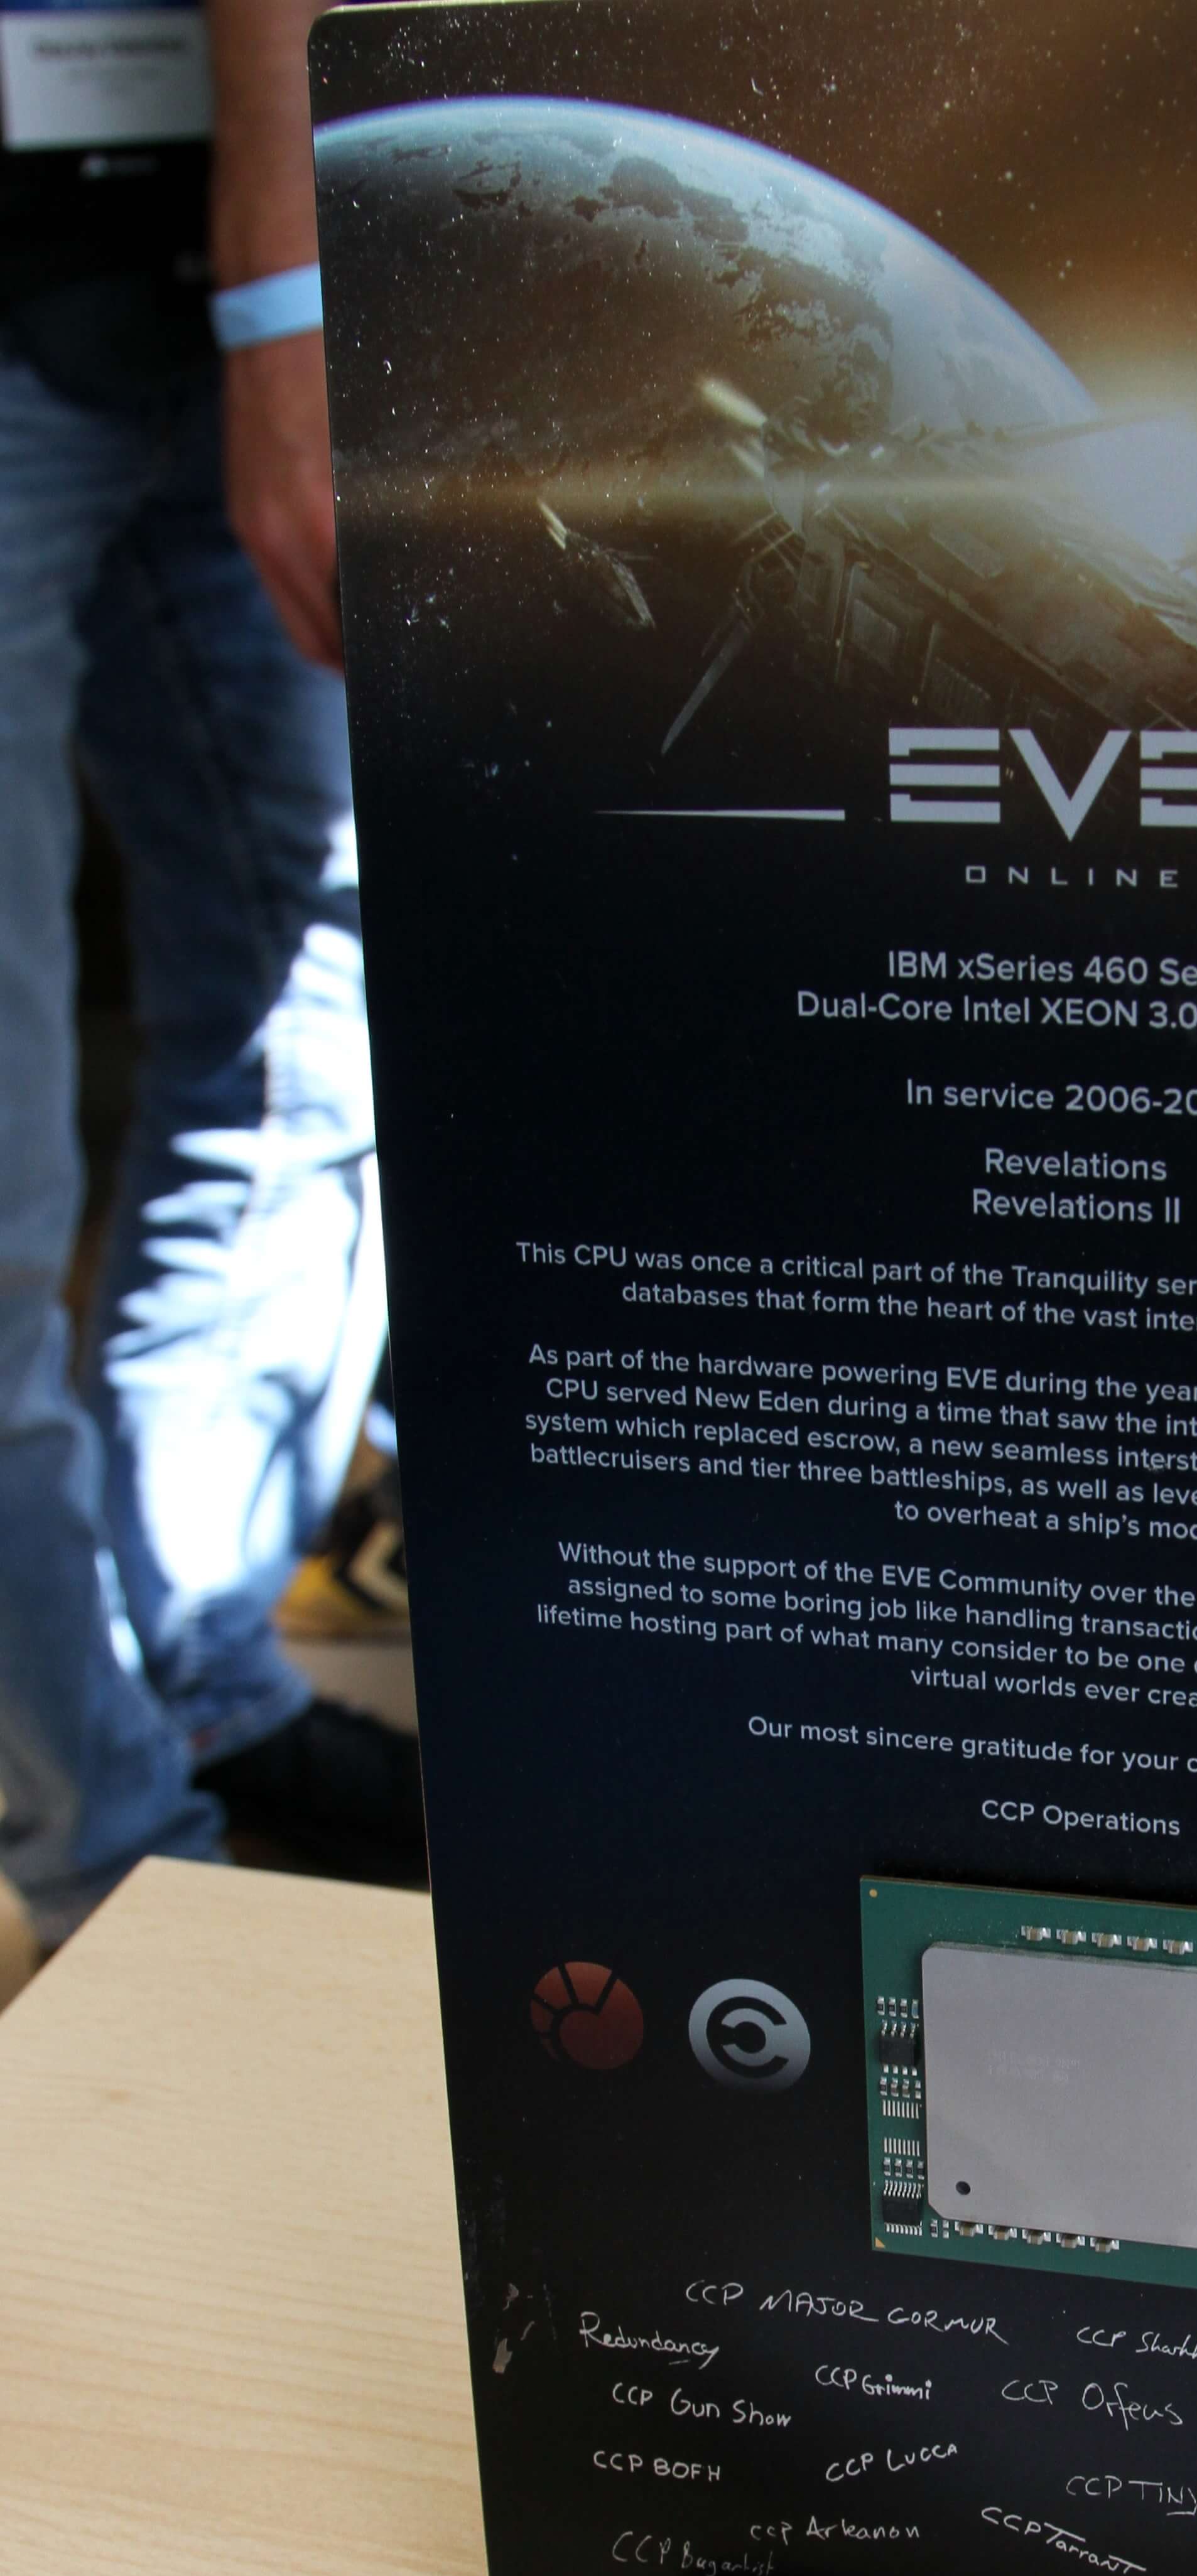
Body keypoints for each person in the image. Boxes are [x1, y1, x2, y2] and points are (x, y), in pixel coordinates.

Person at [0, 0, 419, 1948]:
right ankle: (113, 1865)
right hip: (199, 290)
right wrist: (283, 304)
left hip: (189, 274)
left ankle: (206, 1693)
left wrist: (277, 301)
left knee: (303, 1037)